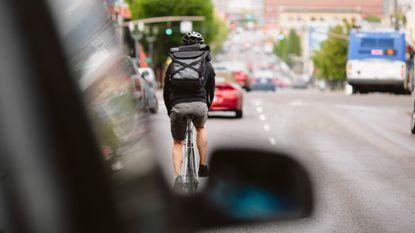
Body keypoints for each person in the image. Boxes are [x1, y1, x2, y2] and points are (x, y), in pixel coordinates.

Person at [163, 31, 215, 188]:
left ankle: (178, 177)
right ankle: (203, 166)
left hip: (178, 106)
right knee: (200, 127)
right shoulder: (206, 64)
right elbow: (211, 89)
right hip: (199, 105)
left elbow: (166, 91)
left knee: (178, 142)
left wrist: (169, 109)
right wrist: (207, 106)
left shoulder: (173, 64)